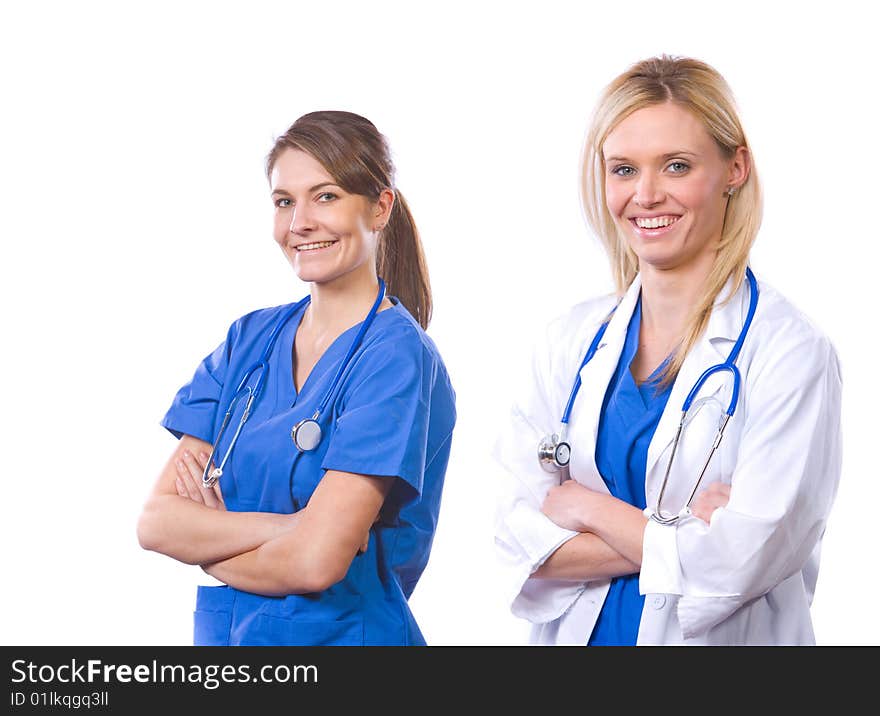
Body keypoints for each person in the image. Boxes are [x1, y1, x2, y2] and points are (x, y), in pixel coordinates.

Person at [494, 56, 842, 646]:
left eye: (676, 166)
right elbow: (514, 540)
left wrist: (587, 508)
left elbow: (741, 562)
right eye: (623, 169)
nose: (646, 195)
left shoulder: (790, 353)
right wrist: (683, 533)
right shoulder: (568, 341)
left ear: (735, 167)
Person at [137, 111, 456, 646]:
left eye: (325, 196)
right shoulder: (249, 341)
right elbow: (157, 523)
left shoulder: (395, 356)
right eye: (284, 201)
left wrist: (207, 545)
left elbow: (316, 562)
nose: (299, 223)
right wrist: (288, 528)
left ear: (380, 207)